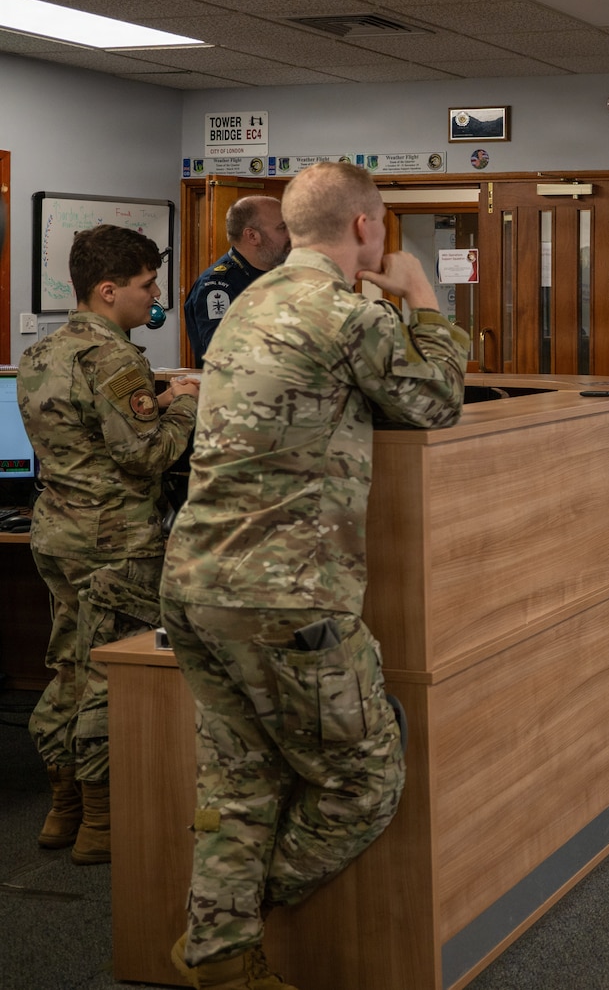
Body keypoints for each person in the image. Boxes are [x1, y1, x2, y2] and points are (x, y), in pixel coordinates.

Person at [158, 162, 469, 988]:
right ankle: (229, 922)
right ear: (365, 227)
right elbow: (435, 402)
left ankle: (220, 954)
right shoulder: (343, 312)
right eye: (383, 228)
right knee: (365, 779)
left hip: (192, 584)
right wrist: (426, 301)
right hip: (286, 597)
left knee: (241, 772)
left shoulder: (247, 305)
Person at [16, 226, 199, 864]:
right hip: (117, 541)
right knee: (108, 673)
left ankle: (62, 807)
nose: (155, 297)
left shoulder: (41, 354)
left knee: (67, 662)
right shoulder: (118, 359)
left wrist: (159, 396)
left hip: (57, 532)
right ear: (108, 289)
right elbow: (144, 454)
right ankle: (100, 819)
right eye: (148, 286)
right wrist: (182, 407)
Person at [182, 194, 290, 367]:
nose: (290, 235)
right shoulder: (219, 285)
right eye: (282, 228)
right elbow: (222, 352)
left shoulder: (282, 276)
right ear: (252, 236)